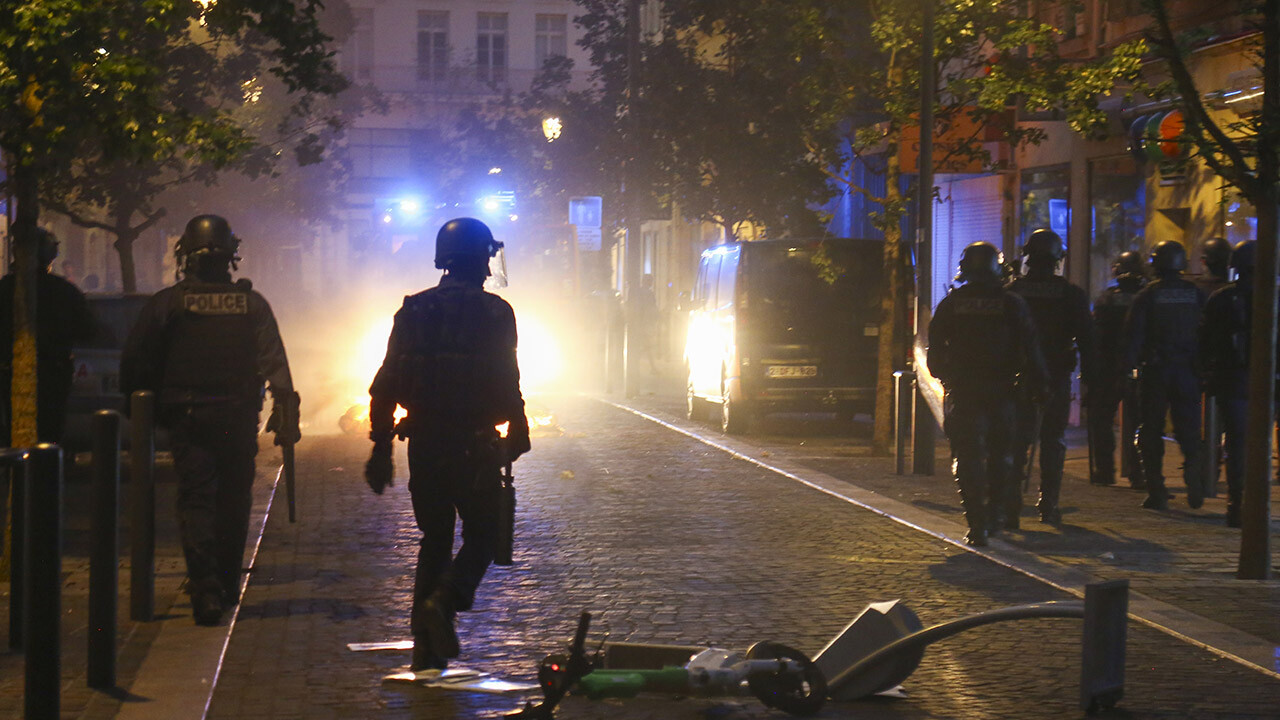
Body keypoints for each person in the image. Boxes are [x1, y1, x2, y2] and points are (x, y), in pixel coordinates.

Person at [365, 217, 530, 672]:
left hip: (425, 444)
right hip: (474, 445)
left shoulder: (413, 311)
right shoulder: (497, 313)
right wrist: (519, 428)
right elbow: (506, 378)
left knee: (434, 539)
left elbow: (384, 386)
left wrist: (380, 447)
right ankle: (447, 599)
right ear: (482, 259)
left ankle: (425, 652)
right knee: (484, 533)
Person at [121, 214, 298, 626]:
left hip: (187, 418)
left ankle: (205, 591)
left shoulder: (167, 304)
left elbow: (136, 363)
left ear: (185, 255)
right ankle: (227, 583)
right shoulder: (251, 304)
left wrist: (140, 412)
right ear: (231, 257)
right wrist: (286, 413)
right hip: (236, 418)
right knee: (234, 500)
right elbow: (276, 366)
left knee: (197, 499)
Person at [930, 242, 1047, 546]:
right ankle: (994, 515)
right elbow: (1031, 349)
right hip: (1003, 392)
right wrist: (1040, 385)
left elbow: (933, 358)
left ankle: (976, 524)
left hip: (964, 392)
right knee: (1002, 456)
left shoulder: (950, 304)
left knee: (967, 457)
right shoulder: (1012, 304)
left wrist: (949, 379)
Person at [1006, 229, 1095, 525]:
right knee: (1053, 439)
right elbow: (1087, 340)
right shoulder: (1072, 295)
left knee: (1017, 439)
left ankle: (1012, 499)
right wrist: (1092, 381)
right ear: (1058, 258)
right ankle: (1049, 503)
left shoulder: (1013, 292)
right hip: (1056, 376)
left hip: (1018, 375)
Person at [1123, 240, 1206, 511]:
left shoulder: (1148, 295)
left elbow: (1133, 337)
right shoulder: (1195, 294)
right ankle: (1195, 478)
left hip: (1156, 371)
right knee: (1189, 429)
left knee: (1150, 431)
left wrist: (1127, 369)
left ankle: (1156, 491)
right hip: (1187, 372)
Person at [1199, 240, 1276, 527]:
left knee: (1238, 442)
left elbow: (1205, 341)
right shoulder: (1273, 296)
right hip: (1266, 381)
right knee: (1260, 443)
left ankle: (1237, 501)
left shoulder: (1221, 298)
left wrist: (1206, 374)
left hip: (1234, 380)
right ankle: (1254, 502)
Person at [1, 228, 95, 444]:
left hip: (11, 373)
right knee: (49, 437)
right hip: (54, 375)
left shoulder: (6, 289)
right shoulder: (65, 292)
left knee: (13, 437)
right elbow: (88, 331)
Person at [1088, 251, 1147, 487]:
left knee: (1101, 419)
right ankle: (1138, 472)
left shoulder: (1107, 299)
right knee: (1140, 420)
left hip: (1108, 367)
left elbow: (1096, 334)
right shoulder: (1146, 298)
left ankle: (1104, 471)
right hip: (1139, 367)